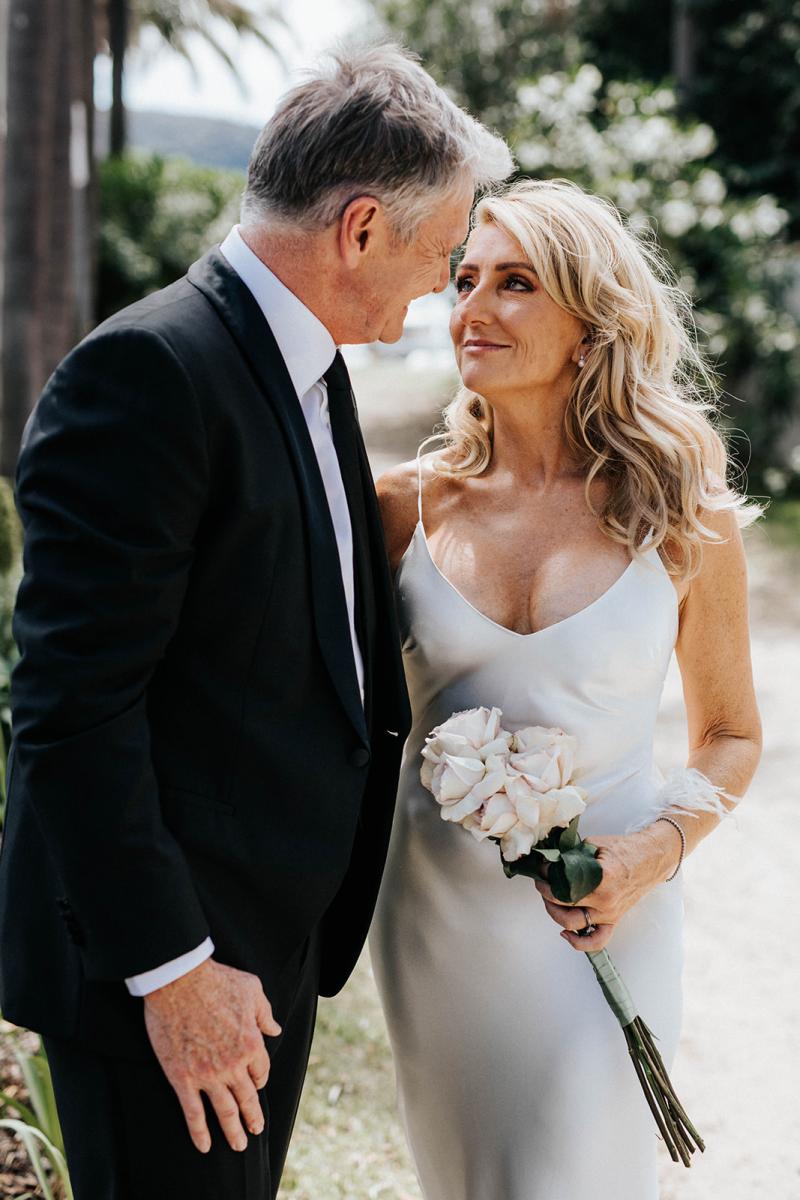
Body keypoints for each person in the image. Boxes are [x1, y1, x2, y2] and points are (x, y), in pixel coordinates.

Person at [0, 44, 512, 1200]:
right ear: (363, 229)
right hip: (165, 966)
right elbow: (72, 710)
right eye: (441, 255)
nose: (439, 288)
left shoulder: (308, 367)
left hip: (260, 945)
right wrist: (173, 970)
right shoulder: (148, 372)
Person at [370, 178, 762, 1199]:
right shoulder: (401, 510)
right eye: (463, 281)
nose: (472, 308)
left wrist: (648, 854)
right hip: (435, 925)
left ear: (588, 323)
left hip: (609, 915)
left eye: (514, 283)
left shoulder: (678, 509)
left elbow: (726, 732)